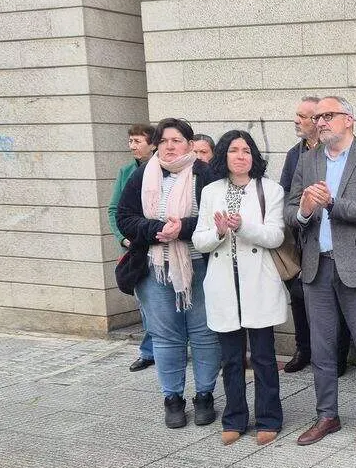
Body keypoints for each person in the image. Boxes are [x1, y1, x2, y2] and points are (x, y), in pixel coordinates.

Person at [284, 96, 356, 451]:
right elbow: (290, 211)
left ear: (349, 119)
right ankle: (327, 415)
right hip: (317, 266)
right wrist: (304, 210)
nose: (321, 122)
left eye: (328, 115)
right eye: (317, 117)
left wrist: (331, 203)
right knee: (322, 349)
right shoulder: (308, 160)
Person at [115, 117, 220, 428]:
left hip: (199, 265)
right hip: (155, 267)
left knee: (204, 334)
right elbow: (124, 217)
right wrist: (156, 229)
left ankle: (205, 395)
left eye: (177, 140)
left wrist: (182, 228)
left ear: (189, 144)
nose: (170, 146)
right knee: (166, 336)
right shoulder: (142, 175)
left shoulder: (205, 173)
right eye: (163, 141)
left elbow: (216, 217)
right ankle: (172, 398)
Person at [193, 131, 287, 446]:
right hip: (224, 283)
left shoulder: (269, 189)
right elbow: (199, 240)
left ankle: (269, 418)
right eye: (233, 150)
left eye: (246, 150)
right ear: (224, 155)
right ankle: (234, 418)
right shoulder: (211, 191)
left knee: (263, 357)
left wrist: (243, 227)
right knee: (232, 359)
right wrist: (219, 232)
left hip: (258, 281)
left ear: (253, 156)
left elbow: (276, 236)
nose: (240, 156)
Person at [110, 123, 156, 372]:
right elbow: (114, 209)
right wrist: (122, 238)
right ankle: (149, 351)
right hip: (136, 248)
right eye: (131, 141)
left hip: (161, 242)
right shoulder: (126, 171)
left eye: (138, 141)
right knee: (145, 301)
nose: (132, 146)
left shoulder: (163, 170)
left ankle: (171, 347)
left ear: (152, 144)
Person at [278, 96, 318, 374]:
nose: (296, 120)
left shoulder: (333, 150)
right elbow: (285, 193)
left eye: (302, 116)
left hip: (329, 236)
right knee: (299, 295)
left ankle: (336, 354)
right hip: (300, 237)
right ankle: (303, 348)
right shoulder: (295, 154)